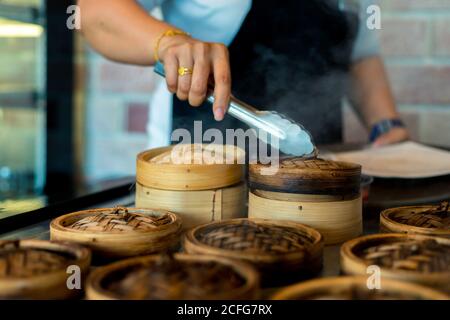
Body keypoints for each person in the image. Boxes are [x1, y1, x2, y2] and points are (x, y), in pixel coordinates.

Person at [79, 0, 409, 148]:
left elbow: (359, 53)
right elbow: (94, 11)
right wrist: (169, 43)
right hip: (199, 161)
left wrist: (386, 126)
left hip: (313, 180)